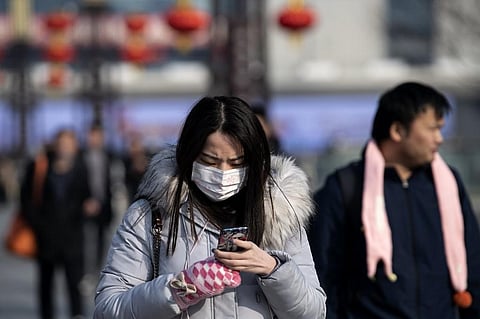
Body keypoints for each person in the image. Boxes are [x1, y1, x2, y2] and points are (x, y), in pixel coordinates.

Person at [94, 96, 326, 318]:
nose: (223, 173)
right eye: (210, 161)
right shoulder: (152, 215)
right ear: (189, 154)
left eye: (237, 163)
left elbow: (313, 313)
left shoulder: (279, 214)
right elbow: (108, 309)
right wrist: (182, 287)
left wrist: (273, 269)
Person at [308, 82, 480, 319]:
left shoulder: (448, 184)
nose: (439, 138)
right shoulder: (346, 186)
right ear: (398, 131)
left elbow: (473, 262)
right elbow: (324, 273)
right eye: (432, 129)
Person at [21, 129, 91, 319]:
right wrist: (38, 226)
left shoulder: (81, 167)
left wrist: (89, 207)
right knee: (45, 285)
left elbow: (87, 195)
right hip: (46, 238)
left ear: (75, 147)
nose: (65, 148)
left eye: (69, 144)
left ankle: (77, 315)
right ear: (55, 145)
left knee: (74, 285)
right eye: (61, 144)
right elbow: (26, 200)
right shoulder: (39, 166)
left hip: (73, 238)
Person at [82, 123, 114, 271]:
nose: (94, 139)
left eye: (97, 136)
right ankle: (86, 269)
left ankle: (98, 268)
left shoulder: (110, 156)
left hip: (104, 204)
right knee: (86, 238)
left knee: (102, 237)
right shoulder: (81, 156)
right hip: (85, 204)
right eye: (91, 136)